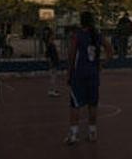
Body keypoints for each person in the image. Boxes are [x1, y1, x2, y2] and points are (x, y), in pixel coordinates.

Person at [65, 11, 112, 145]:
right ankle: (92, 133)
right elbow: (110, 50)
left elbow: (71, 55)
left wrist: (68, 73)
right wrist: (103, 63)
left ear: (81, 21)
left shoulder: (77, 36)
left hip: (79, 74)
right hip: (93, 74)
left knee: (75, 105)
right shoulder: (97, 35)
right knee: (93, 104)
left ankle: (73, 135)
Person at [44, 27, 61, 97]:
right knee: (53, 77)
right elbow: (48, 55)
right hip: (53, 62)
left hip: (54, 61)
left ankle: (53, 89)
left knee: (54, 77)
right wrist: (50, 62)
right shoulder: (50, 45)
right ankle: (52, 90)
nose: (54, 36)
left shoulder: (51, 44)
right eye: (53, 35)